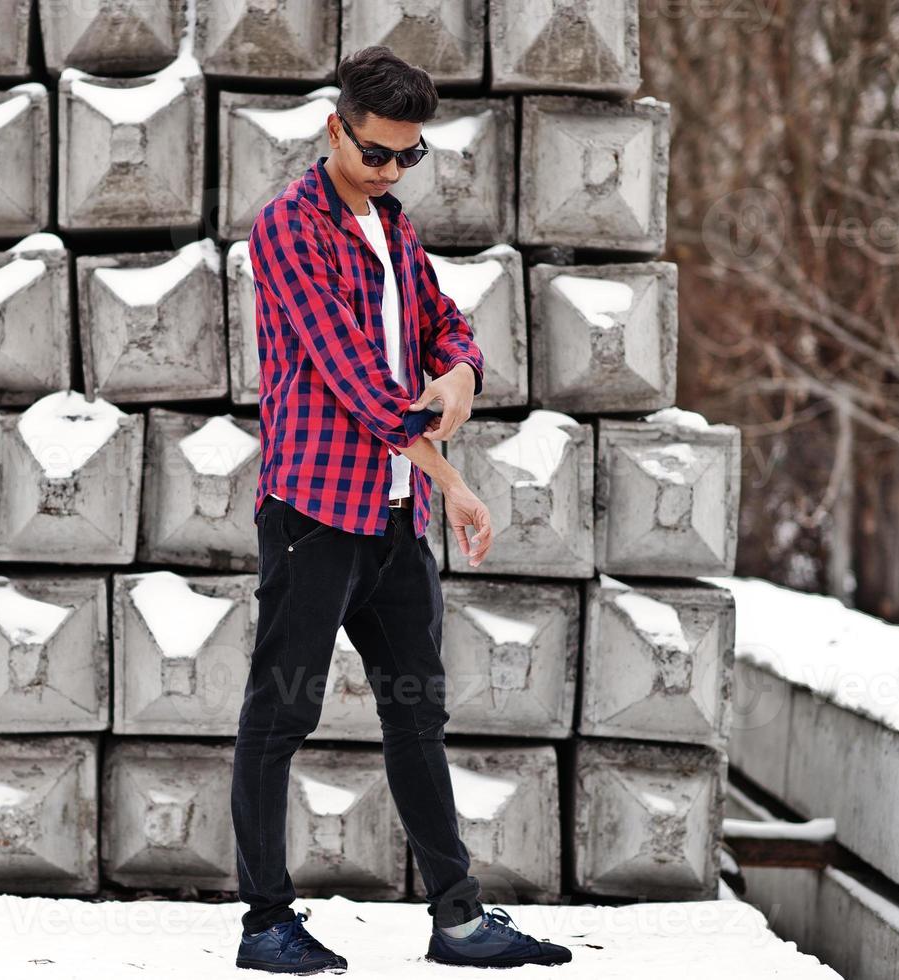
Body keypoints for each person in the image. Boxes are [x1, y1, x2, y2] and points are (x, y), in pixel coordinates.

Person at [231, 45, 573, 973]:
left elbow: (441, 321)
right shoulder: (288, 230)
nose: (390, 171)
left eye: (407, 157)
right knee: (279, 719)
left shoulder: (389, 224)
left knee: (417, 716)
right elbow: (364, 388)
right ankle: (265, 925)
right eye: (376, 153)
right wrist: (455, 479)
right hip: (314, 516)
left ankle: (456, 919)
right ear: (333, 128)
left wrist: (461, 367)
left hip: (392, 517)